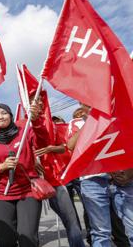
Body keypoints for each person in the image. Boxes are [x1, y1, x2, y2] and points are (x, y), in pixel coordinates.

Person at [68, 105, 133, 247]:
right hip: (93, 181)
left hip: (123, 179)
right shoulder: (79, 122)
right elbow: (71, 145)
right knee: (101, 232)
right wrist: (92, 120)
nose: (89, 104)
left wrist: (131, 171)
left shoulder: (122, 113)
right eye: (84, 102)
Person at [0, 102, 48, 247]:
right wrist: (1, 166)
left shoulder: (25, 131)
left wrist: (36, 120)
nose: (0, 116)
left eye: (4, 113)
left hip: (28, 191)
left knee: (27, 238)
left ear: (11, 115)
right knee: (5, 240)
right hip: (4, 193)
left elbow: (43, 142)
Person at [33, 94, 85, 247]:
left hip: (71, 173)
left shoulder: (65, 129)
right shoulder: (26, 127)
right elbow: (31, 145)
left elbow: (68, 147)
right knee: (70, 219)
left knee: (79, 217)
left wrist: (53, 148)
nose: (37, 103)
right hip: (49, 178)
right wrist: (33, 159)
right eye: (32, 101)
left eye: (40, 100)